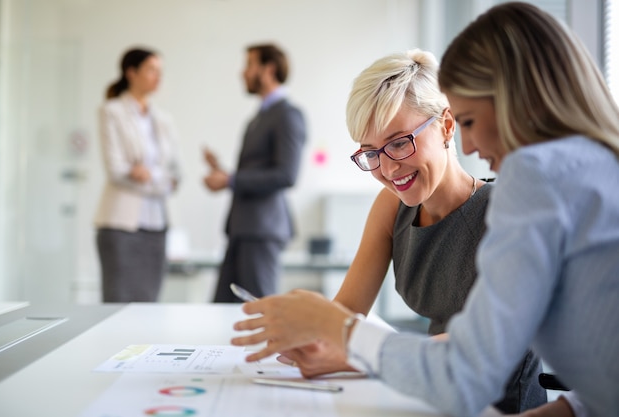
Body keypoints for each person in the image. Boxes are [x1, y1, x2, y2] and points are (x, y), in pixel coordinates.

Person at [231, 3, 619, 417]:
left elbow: (474, 362)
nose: (469, 147)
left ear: (447, 125)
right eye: (371, 152)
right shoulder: (587, 172)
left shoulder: (528, 182)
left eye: (468, 121)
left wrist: (341, 336)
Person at [275, 49, 545, 413]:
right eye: (371, 152)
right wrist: (307, 332)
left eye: (400, 142)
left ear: (447, 125)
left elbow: (481, 345)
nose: (387, 169)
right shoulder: (393, 208)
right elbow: (345, 313)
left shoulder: (504, 213)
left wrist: (352, 354)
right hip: (430, 397)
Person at [203, 43, 306, 303]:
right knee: (222, 310)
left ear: (268, 69)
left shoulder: (287, 115)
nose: (243, 73)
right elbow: (258, 170)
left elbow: (287, 175)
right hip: (242, 228)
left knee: (259, 312)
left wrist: (231, 179)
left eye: (249, 65)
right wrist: (225, 174)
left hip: (261, 229)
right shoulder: (259, 117)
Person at [95, 47, 181, 303]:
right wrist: (159, 180)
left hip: (157, 225)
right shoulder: (111, 111)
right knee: (118, 300)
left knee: (149, 302)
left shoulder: (164, 120)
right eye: (152, 70)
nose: (158, 77)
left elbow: (177, 174)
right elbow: (117, 170)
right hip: (120, 225)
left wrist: (147, 175)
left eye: (160, 71)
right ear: (131, 73)